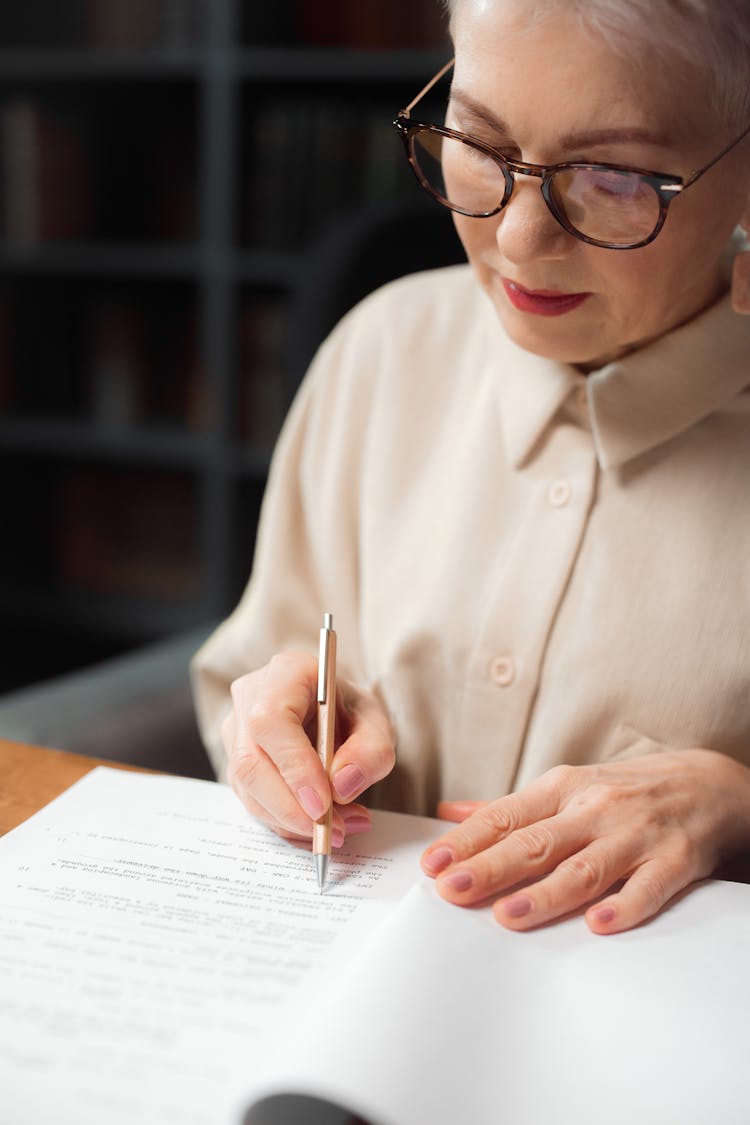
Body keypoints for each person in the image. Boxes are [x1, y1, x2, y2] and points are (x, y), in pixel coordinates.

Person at [191, 0, 750, 936]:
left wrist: (738, 800)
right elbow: (257, 670)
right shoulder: (383, 349)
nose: (521, 241)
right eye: (480, 143)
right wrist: (277, 735)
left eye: (612, 176)